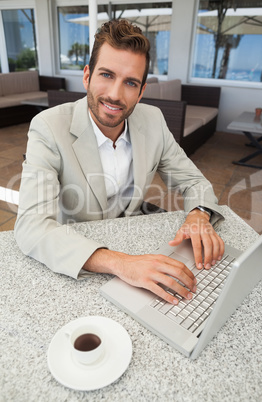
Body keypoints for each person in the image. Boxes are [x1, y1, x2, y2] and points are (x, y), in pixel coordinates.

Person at [15, 19, 224, 306]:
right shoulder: (48, 127)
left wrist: (199, 214)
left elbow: (193, 181)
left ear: (141, 91)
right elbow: (32, 227)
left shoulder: (153, 120)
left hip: (136, 245)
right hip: (77, 258)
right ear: (87, 76)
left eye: (130, 82)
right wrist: (123, 264)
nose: (115, 94)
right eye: (106, 75)